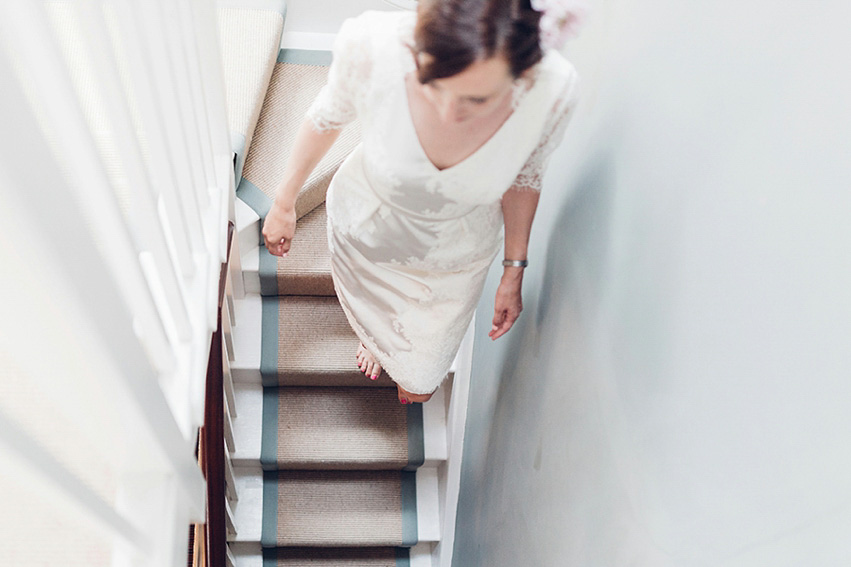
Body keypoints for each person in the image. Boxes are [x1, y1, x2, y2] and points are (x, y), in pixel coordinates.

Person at [262, 0, 581, 404]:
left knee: (417, 391)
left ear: (522, 75)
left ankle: (398, 355)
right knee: (376, 319)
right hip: (370, 233)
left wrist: (513, 268)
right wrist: (284, 201)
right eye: (433, 84)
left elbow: (525, 177)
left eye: (477, 99)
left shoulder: (552, 92)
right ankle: (375, 338)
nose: (449, 112)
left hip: (455, 258)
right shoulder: (372, 46)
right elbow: (325, 119)